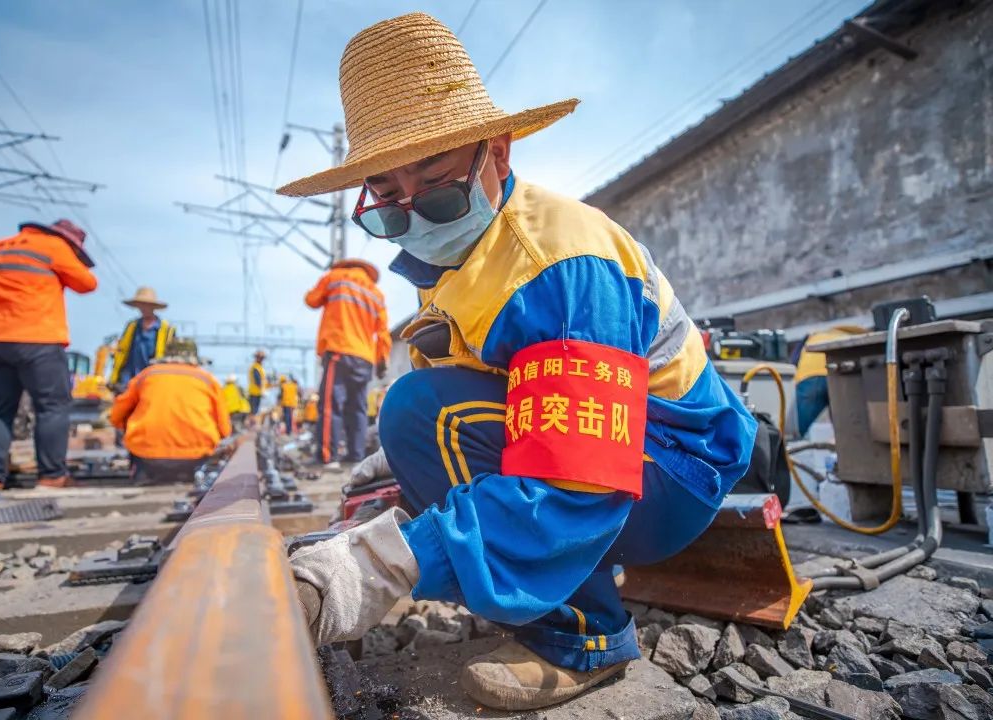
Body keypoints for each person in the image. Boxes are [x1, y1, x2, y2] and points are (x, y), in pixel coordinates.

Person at [277, 14, 756, 711]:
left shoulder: (558, 267)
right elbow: (500, 393)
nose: (415, 216)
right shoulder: (460, 254)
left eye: (437, 190)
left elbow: (576, 473)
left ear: (497, 154)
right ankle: (534, 575)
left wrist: (387, 563)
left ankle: (586, 638)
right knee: (411, 418)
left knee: (418, 413)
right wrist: (406, 479)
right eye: (387, 202)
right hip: (623, 455)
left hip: (666, 470)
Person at [0, 219, 97, 491]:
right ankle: (52, 477)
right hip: (35, 336)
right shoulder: (54, 246)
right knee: (51, 405)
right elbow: (87, 283)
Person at [304, 259, 391, 468]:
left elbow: (312, 300)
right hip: (364, 358)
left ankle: (327, 457)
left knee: (330, 405)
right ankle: (356, 456)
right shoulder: (376, 294)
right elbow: (383, 334)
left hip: (339, 349)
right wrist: (381, 360)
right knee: (358, 409)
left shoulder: (335, 278)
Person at [109, 339, 231, 484]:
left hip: (146, 455)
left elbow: (116, 416)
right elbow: (225, 430)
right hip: (195, 456)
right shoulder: (207, 380)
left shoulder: (146, 375)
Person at [792, 325, 866, 437]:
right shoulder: (857, 336)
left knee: (795, 430)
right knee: (846, 426)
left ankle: (783, 450)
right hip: (840, 374)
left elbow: (793, 361)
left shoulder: (814, 336)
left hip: (809, 376)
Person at [108, 287, 175, 389]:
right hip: (128, 380)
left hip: (153, 380)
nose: (143, 308)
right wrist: (114, 378)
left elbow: (171, 358)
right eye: (141, 304)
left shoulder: (166, 329)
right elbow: (121, 351)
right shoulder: (132, 326)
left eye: (146, 305)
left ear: (153, 306)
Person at [247, 350, 268, 417]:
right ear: (256, 358)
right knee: (254, 410)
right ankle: (251, 424)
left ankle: (251, 423)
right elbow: (258, 380)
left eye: (262, 358)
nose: (261, 359)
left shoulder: (259, 367)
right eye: (259, 357)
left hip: (257, 392)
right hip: (254, 392)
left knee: (254, 410)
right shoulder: (256, 367)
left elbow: (262, 380)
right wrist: (262, 389)